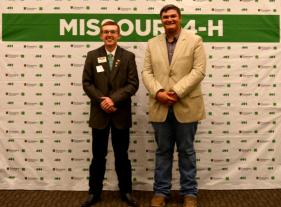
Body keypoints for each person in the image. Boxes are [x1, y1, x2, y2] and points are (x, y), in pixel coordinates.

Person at [142, 4, 206, 207]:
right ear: (161, 20)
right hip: (160, 106)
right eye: (165, 17)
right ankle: (161, 192)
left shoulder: (195, 40)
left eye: (173, 16)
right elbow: (146, 72)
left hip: (186, 104)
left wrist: (176, 92)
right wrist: (159, 92)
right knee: (163, 151)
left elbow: (199, 70)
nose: (169, 20)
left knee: (186, 151)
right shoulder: (152, 43)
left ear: (180, 18)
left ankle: (189, 194)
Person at [81, 21, 139, 207]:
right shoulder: (92, 56)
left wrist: (113, 100)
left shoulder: (128, 56)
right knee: (98, 156)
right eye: (105, 32)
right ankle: (94, 193)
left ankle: (126, 192)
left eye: (113, 32)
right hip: (100, 115)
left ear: (119, 35)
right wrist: (102, 101)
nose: (109, 35)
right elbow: (87, 83)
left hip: (120, 114)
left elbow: (133, 84)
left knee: (122, 156)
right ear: (100, 35)